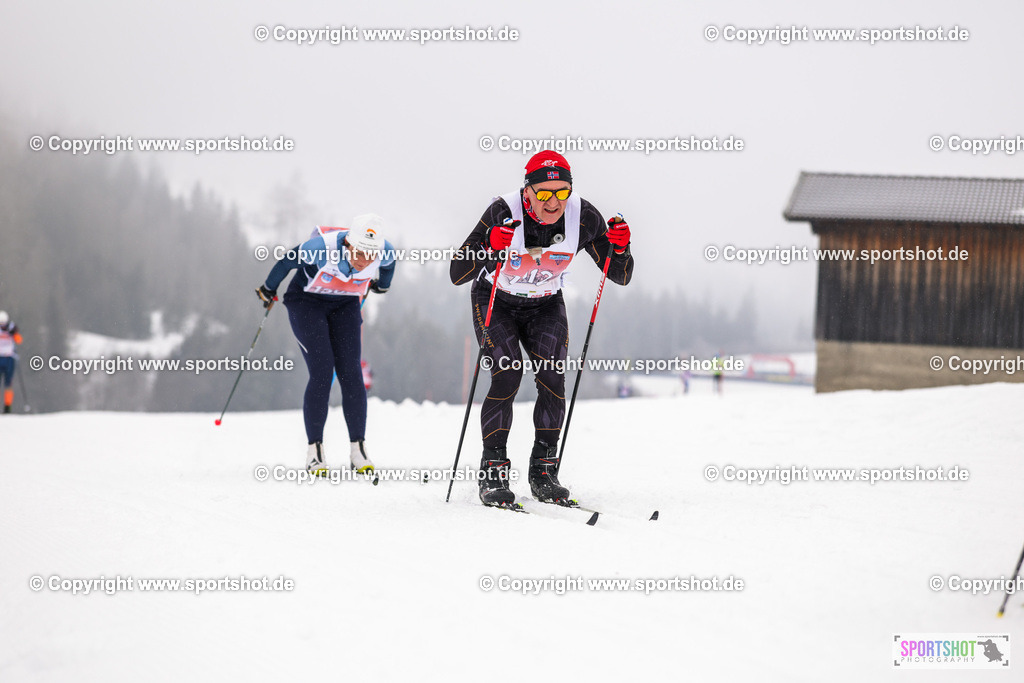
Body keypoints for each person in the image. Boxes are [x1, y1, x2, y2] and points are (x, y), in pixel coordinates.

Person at [449, 151, 634, 506]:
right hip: (495, 298)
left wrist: (622, 249)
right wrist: (490, 245)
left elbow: (619, 275)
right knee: (507, 374)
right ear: (527, 191)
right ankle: (493, 472)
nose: (553, 202)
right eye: (544, 193)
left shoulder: (584, 217)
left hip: (545, 303)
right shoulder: (502, 212)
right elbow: (457, 273)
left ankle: (543, 472)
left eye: (561, 192)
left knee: (553, 378)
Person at [257, 214, 396, 476]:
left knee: (351, 373)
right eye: (359, 253)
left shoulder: (384, 250)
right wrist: (268, 288)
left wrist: (383, 286)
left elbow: (389, 266)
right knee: (322, 372)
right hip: (306, 302)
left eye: (371, 255)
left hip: (344, 303)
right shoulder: (321, 248)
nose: (365, 260)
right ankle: (315, 452)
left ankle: (358, 450)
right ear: (348, 245)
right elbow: (287, 262)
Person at [0, 310, 23, 414]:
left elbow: (19, 340)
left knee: (8, 383)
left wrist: (14, 333)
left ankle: (7, 406)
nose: (3, 326)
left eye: (4, 324)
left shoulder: (12, 327)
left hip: (9, 358)